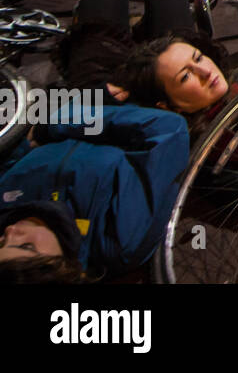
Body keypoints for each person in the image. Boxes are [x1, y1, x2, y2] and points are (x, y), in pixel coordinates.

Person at [0, 101, 189, 281]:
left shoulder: (6, 209)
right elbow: (168, 130)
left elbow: (13, 149)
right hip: (139, 105)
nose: (11, 230)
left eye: (1, 243)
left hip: (50, 105)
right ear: (63, 270)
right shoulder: (117, 236)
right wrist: (57, 122)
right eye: (27, 246)